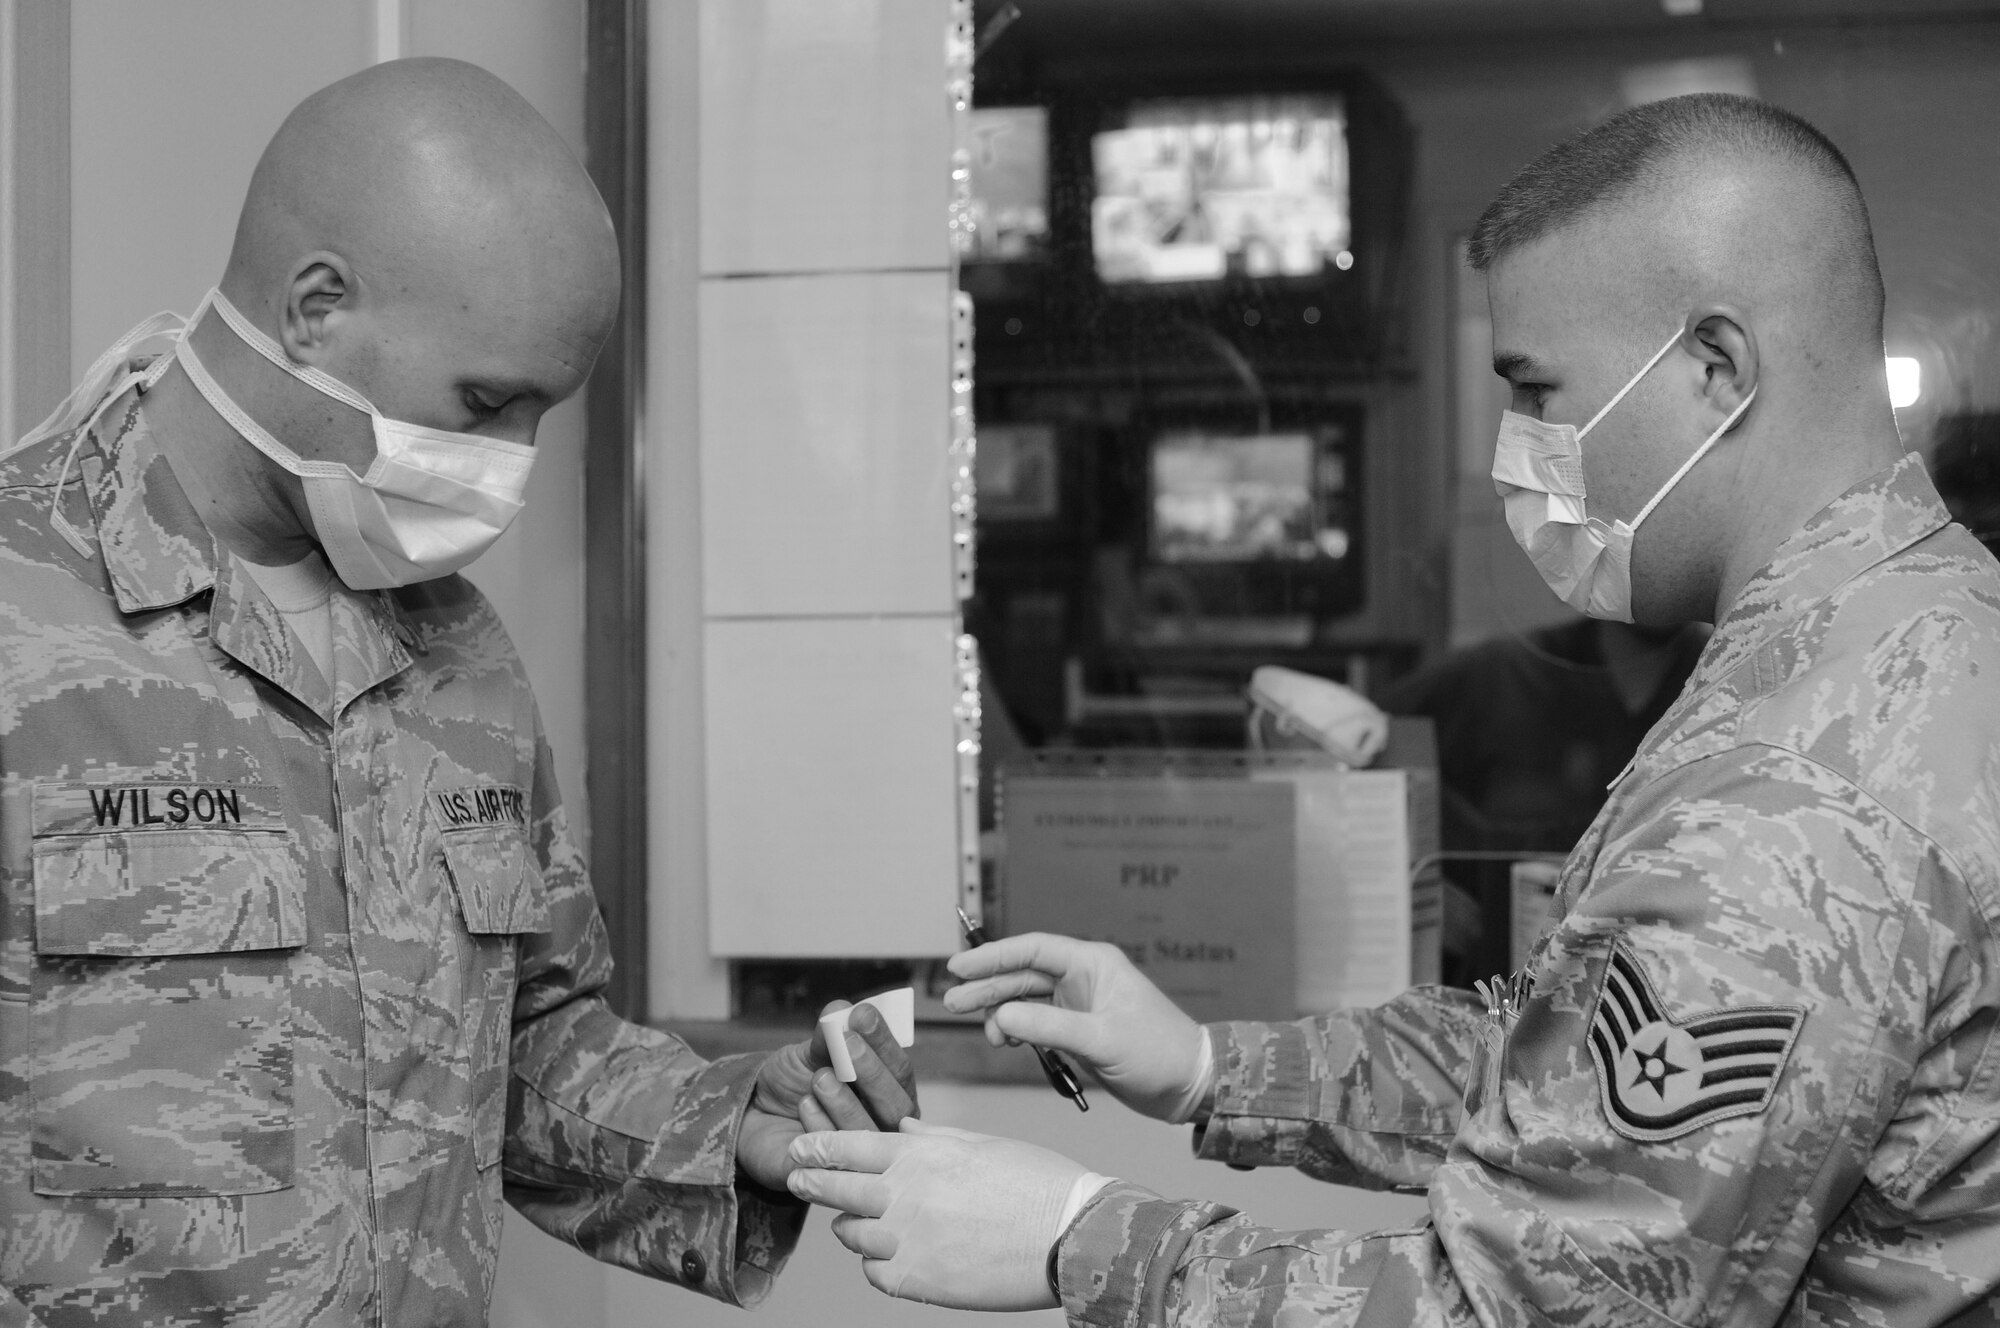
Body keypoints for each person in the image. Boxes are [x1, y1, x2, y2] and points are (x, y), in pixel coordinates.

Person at [787, 92, 2000, 1324]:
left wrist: (1071, 1236)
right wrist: (1214, 1069)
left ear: (1713, 367)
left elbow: (1514, 1309)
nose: (1518, 446)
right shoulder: (1917, 634)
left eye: (1537, 390)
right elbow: (1579, 1066)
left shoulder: (1798, 790)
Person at [0, 59, 912, 1327]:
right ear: (315, 306)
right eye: (485, 403)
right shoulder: (25, 608)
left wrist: (730, 1123)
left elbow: (525, 1041)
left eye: (540, 416)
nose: (507, 467)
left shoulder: (456, 653)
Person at [1378, 617, 1707, 981]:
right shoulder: (1502, 673)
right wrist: (1415, 886)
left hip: (1658, 984)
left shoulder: (1725, 680)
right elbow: (1359, 743)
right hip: (1494, 984)